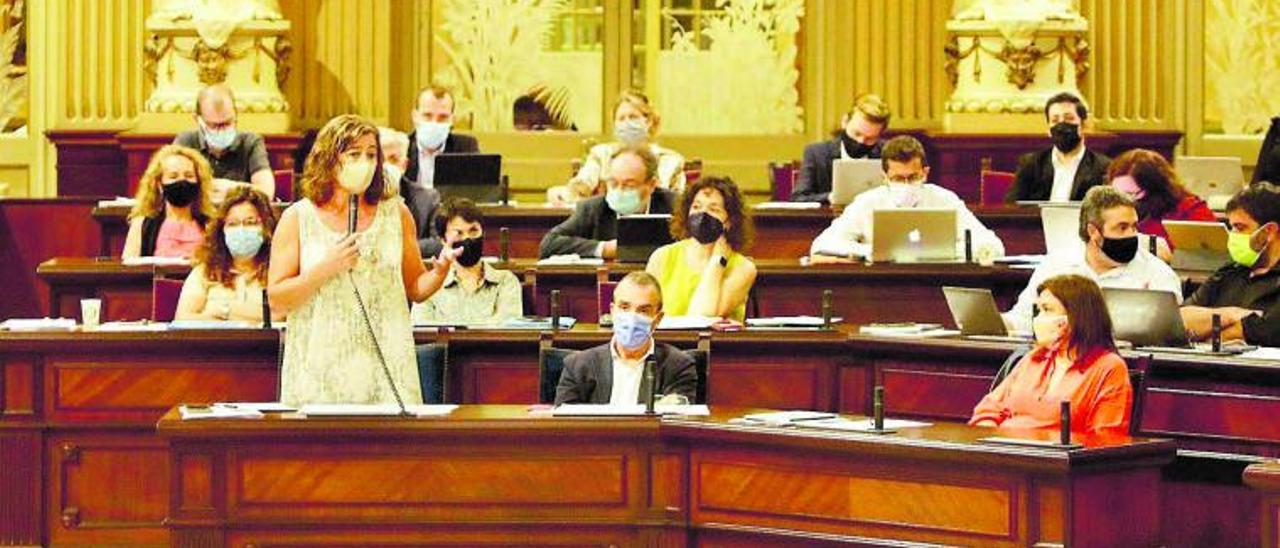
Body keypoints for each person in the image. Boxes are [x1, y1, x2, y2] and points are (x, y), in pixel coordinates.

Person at [268, 114, 458, 406]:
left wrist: (441, 270)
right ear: (329, 159)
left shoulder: (396, 213)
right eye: (354, 154)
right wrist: (326, 268)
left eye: (371, 155)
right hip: (320, 369)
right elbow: (278, 299)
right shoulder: (298, 218)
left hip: (387, 364)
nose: (365, 163)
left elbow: (416, 288)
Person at [1004, 186, 1182, 333]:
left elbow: (1170, 335)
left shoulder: (1157, 273)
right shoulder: (1056, 265)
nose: (1132, 235)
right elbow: (1023, 320)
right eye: (1122, 228)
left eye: (1134, 226)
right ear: (1093, 232)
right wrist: (998, 324)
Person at [971, 274, 1133, 435]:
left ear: (1076, 316)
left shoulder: (1109, 367)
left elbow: (1105, 438)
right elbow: (987, 411)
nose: (1039, 318)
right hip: (1006, 452)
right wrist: (990, 441)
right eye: (1039, 310)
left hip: (1055, 457)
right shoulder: (1033, 359)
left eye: (1047, 310)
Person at [809, 135, 1005, 262]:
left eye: (912, 177)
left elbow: (993, 245)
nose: (905, 184)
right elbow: (822, 245)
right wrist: (869, 251)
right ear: (884, 177)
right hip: (880, 285)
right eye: (897, 178)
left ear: (925, 173)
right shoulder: (866, 202)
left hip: (937, 282)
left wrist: (946, 252)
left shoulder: (945, 199)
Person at [554, 271, 697, 405]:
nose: (632, 317)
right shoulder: (577, 366)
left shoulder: (678, 367)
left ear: (658, 319)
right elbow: (563, 427)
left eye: (643, 311)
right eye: (624, 307)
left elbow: (676, 424)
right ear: (612, 311)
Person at [1180, 182, 1280, 346]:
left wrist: (1207, 331)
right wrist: (1232, 314)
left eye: (1240, 228)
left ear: (1269, 231)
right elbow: (1180, 320)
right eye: (1231, 227)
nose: (1233, 235)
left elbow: (1264, 332)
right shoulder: (1228, 272)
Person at [646, 177, 757, 321]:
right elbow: (646, 314)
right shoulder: (662, 256)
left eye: (714, 209)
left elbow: (703, 316)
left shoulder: (743, 268)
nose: (702, 215)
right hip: (664, 341)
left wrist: (717, 262)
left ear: (729, 221)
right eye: (696, 207)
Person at [548, 90, 686, 205]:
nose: (627, 123)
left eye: (633, 117)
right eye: (621, 119)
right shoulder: (601, 154)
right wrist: (561, 193)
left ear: (648, 121)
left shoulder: (670, 160)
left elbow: (680, 204)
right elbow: (580, 186)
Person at [539, 145, 678, 259]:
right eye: (613, 183)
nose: (619, 190)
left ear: (651, 185)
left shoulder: (675, 206)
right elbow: (549, 244)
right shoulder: (593, 208)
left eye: (629, 185)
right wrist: (604, 248)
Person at [411, 197, 522, 325]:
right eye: (459, 233)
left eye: (473, 231)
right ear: (443, 240)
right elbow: (421, 327)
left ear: (483, 233)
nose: (467, 239)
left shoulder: (506, 281)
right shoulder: (429, 285)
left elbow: (507, 326)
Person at [399, 84, 480, 258]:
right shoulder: (401, 148)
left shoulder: (466, 147)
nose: (434, 123)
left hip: (453, 226)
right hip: (412, 225)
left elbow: (475, 197)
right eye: (427, 116)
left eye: (442, 117)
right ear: (415, 116)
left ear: (452, 119)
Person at [175, 186, 277, 322]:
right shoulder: (205, 271)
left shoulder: (279, 271)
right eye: (232, 224)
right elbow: (182, 319)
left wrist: (224, 310)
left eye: (250, 222)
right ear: (221, 230)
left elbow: (279, 316)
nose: (241, 230)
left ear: (267, 228)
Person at [1107, 148, 1215, 260]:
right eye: (1116, 193)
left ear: (1154, 189)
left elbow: (1210, 255)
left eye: (1130, 194)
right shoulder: (1109, 209)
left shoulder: (1190, 210)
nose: (1121, 200)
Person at [173, 84, 275, 200]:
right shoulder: (186, 142)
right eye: (213, 125)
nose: (221, 130)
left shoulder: (251, 142)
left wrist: (232, 188)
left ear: (236, 115)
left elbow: (266, 193)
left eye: (227, 123)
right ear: (198, 120)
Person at [1006, 92, 1110, 203]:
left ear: (1083, 125)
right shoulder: (1031, 163)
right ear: (1049, 130)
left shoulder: (1102, 167)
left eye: (1069, 119)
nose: (1061, 126)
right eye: (1055, 121)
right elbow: (1012, 205)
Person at [791, 94, 890, 204]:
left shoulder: (888, 153)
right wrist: (830, 197)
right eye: (856, 133)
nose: (861, 141)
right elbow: (798, 198)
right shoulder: (816, 153)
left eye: (870, 138)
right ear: (845, 122)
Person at [123, 145, 216, 260]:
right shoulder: (142, 225)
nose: (182, 181)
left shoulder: (211, 225)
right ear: (159, 185)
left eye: (189, 176)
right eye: (173, 176)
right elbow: (129, 269)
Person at [377, 126, 410, 194]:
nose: (384, 167)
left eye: (393, 160)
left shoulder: (425, 199)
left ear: (404, 165)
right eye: (379, 159)